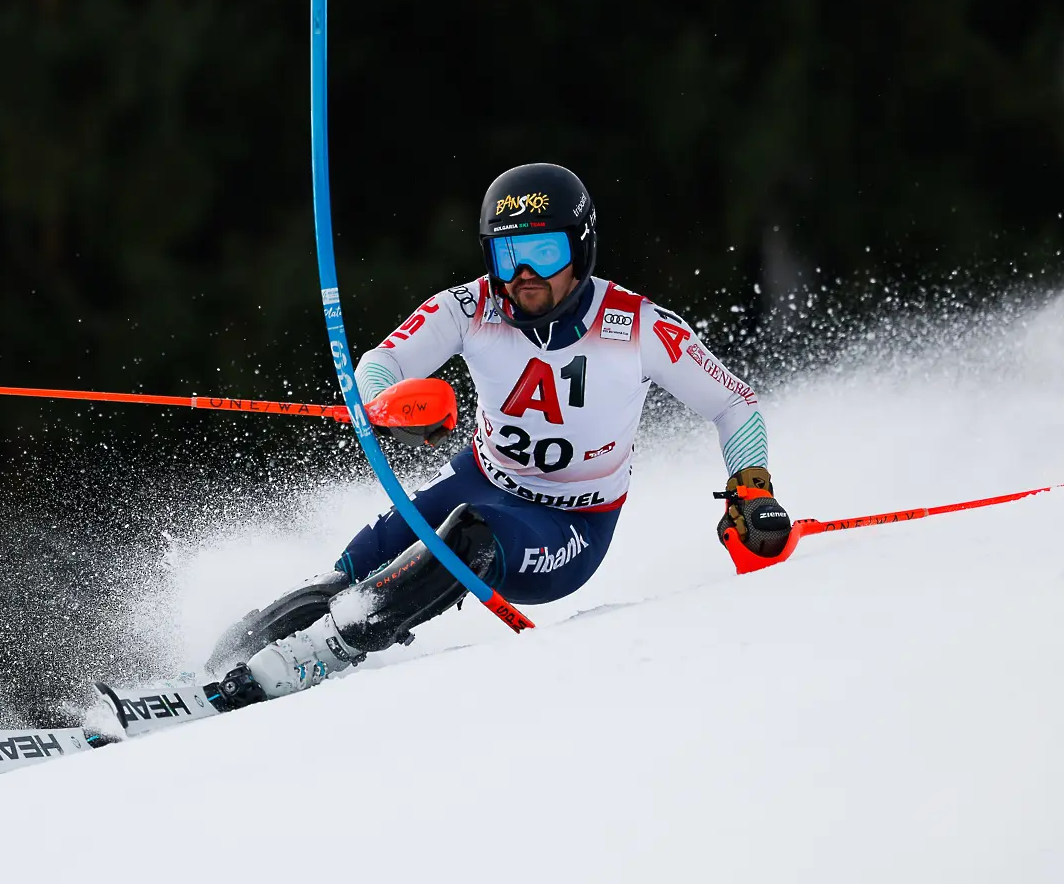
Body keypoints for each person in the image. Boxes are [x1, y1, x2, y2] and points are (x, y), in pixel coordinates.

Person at [205, 162, 791, 707]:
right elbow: (382, 363)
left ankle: (311, 659)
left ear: (580, 247)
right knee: (340, 577)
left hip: (570, 524)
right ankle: (210, 673)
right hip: (477, 478)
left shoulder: (639, 326)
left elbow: (733, 404)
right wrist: (390, 404)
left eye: (543, 251)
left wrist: (752, 489)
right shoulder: (470, 307)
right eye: (508, 255)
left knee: (469, 541)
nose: (524, 276)